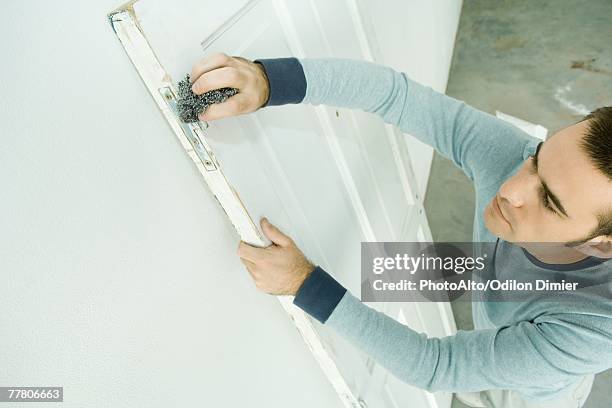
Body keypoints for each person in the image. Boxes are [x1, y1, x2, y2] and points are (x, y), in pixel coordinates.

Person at [189, 53, 612, 408]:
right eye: (537, 158)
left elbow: (435, 366)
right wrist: (267, 81)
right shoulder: (509, 158)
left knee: (510, 394)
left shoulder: (593, 330)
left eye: (550, 203)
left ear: (603, 243)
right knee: (477, 351)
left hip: (543, 394)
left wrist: (304, 283)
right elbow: (396, 95)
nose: (510, 188)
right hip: (500, 309)